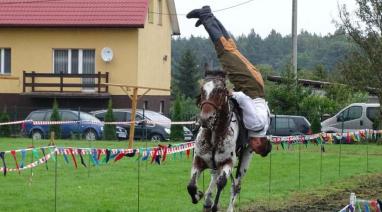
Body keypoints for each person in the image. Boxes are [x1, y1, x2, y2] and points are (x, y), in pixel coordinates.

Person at [187, 6, 272, 157]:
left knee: (230, 48)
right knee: (224, 51)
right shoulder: (255, 125)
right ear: (259, 143)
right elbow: (245, 100)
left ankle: (209, 18)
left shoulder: (264, 125)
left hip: (255, 85)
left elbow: (264, 106)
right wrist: (231, 93)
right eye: (253, 147)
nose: (250, 147)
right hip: (249, 86)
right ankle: (206, 15)